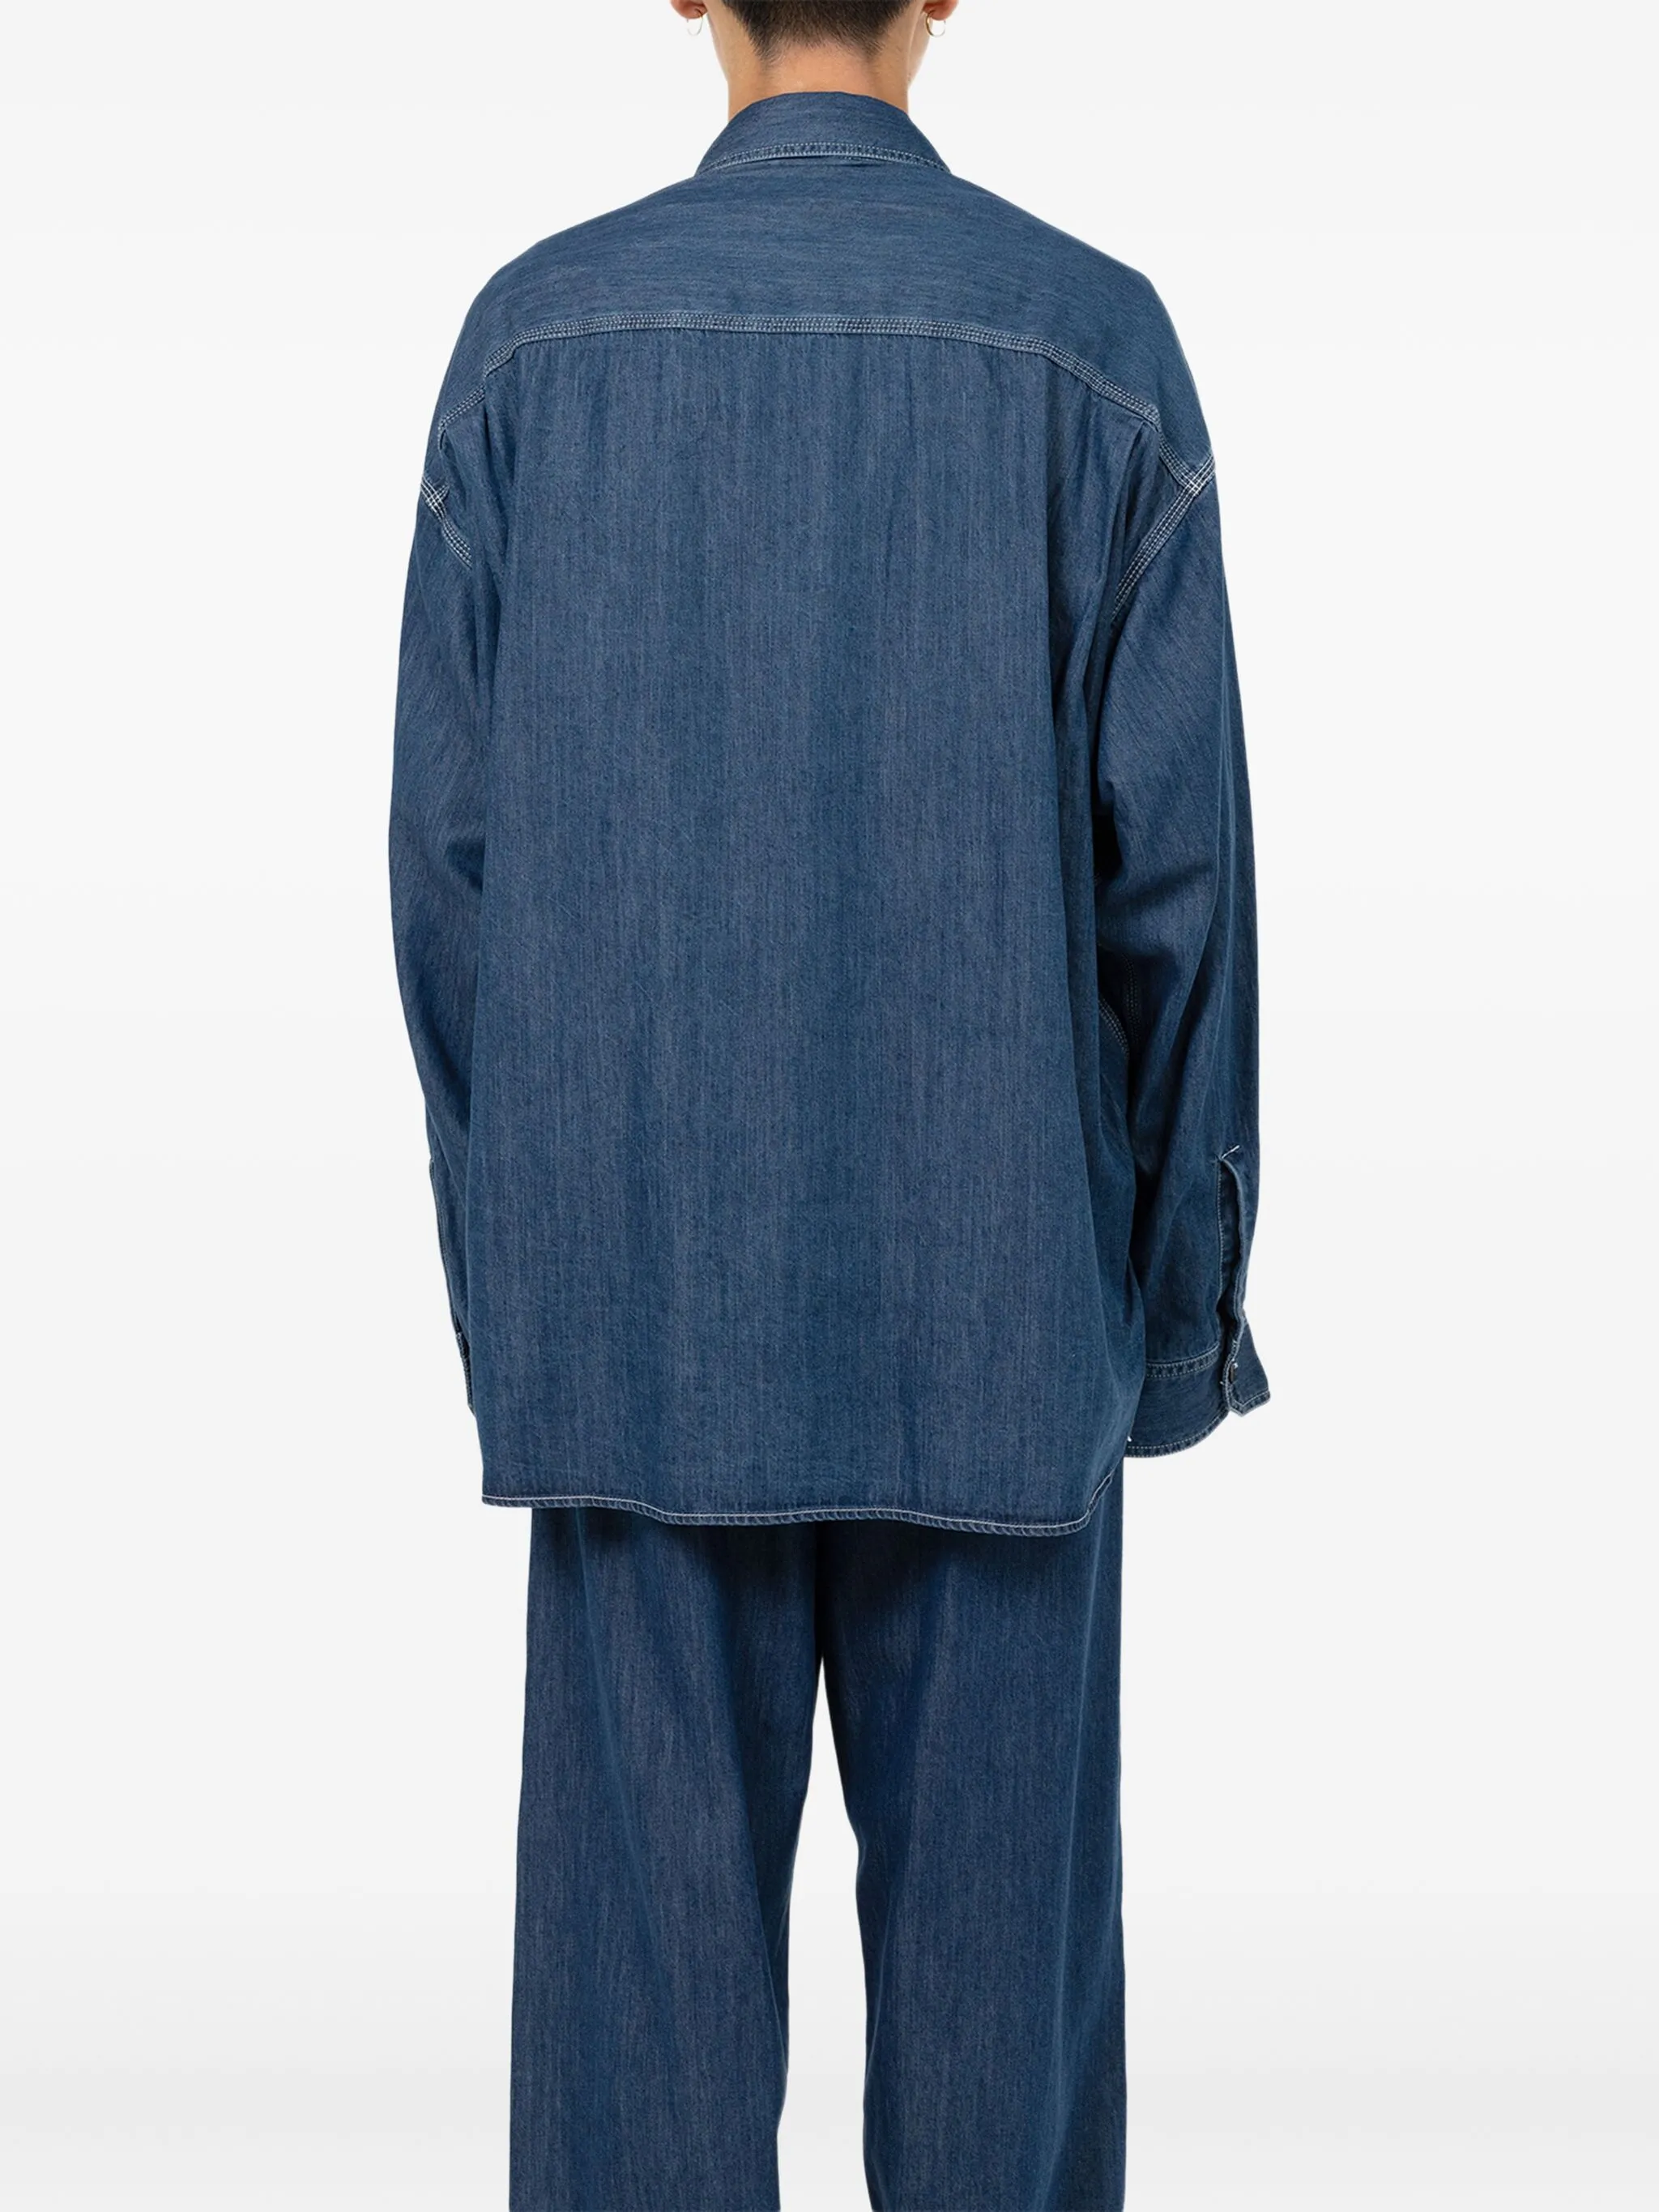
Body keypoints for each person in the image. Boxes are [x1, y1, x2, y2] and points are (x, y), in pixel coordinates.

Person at [389, 1, 1270, 2204]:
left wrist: (532, 1298)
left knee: (635, 2096)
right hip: (1001, 1324)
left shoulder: (533, 350)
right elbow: (1177, 898)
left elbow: (452, 886)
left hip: (640, 1314)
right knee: (1001, 2096)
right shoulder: (1095, 348)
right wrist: (1165, 1328)